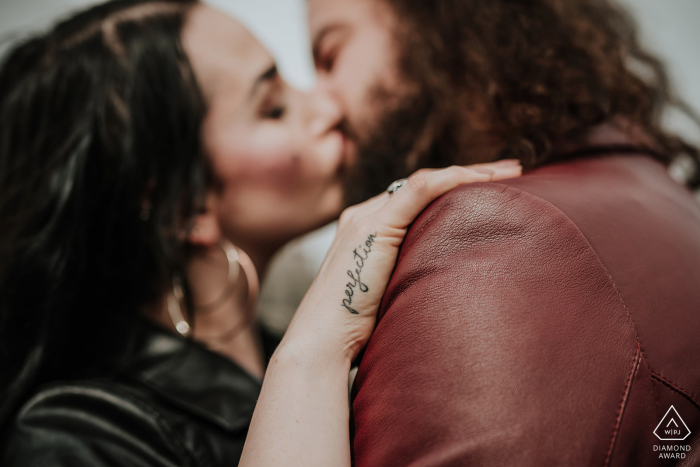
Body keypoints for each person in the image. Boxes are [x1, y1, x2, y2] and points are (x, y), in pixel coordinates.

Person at [0, 0, 522, 465]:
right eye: (273, 108)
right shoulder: (78, 438)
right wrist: (314, 350)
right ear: (182, 209)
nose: (329, 106)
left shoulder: (358, 352)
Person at [305, 0, 700, 465]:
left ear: (436, 20)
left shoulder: (489, 239)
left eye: (330, 56)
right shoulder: (648, 178)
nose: (321, 102)